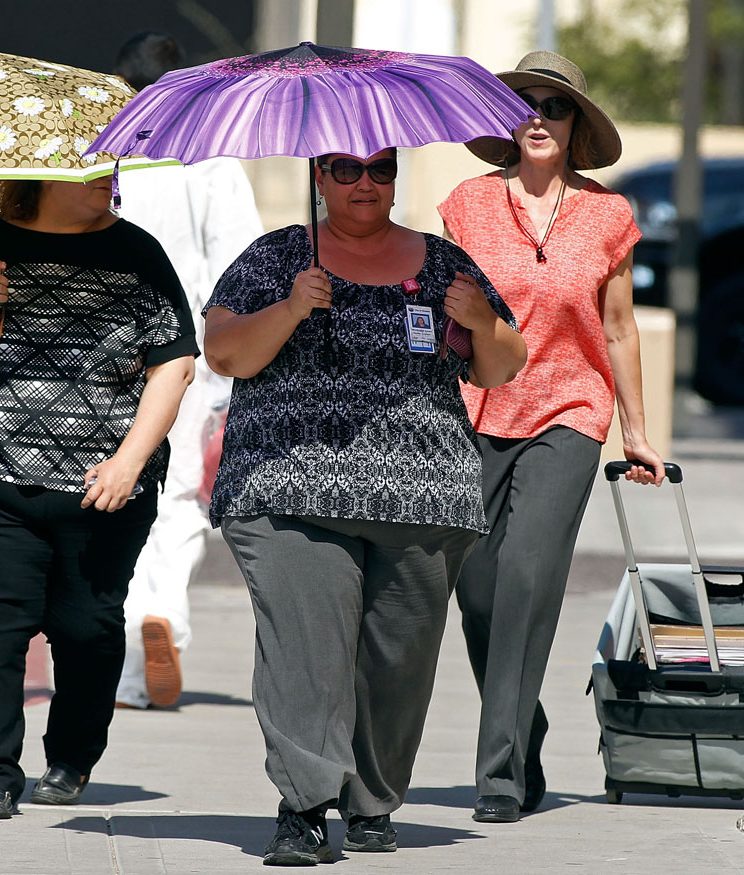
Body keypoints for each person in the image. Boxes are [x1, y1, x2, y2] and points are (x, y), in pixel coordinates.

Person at [203, 148, 526, 865]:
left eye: (381, 169)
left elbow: (501, 369)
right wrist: (292, 305)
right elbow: (225, 353)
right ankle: (305, 805)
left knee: (397, 659)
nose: (365, 183)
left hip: (422, 494)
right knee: (306, 649)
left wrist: (482, 320)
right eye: (345, 169)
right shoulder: (276, 258)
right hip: (290, 487)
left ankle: (373, 798)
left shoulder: (443, 263)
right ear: (319, 175)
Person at [0, 176, 197, 819]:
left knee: (85, 625)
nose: (109, 179)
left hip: (103, 483)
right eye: (92, 167)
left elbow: (173, 365)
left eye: (113, 165)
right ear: (41, 177)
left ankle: (71, 758)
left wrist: (130, 460)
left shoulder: (137, 253)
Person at [438, 50, 665, 825]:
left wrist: (636, 431)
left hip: (570, 411)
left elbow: (620, 327)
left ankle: (497, 770)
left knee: (528, 574)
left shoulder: (608, 216)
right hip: (475, 409)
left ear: (576, 129)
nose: (538, 115)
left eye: (555, 106)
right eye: (524, 102)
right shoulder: (466, 204)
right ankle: (522, 721)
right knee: (474, 590)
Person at [110, 31, 265, 709]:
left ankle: (119, 665)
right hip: (187, 357)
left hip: (103, 354)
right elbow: (242, 268)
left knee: (108, 493)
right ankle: (163, 617)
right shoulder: (211, 162)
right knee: (175, 499)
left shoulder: (105, 159)